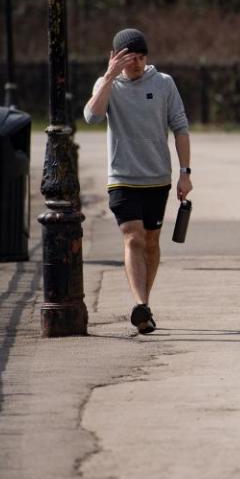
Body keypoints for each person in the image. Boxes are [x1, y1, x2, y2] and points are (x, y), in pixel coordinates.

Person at [84, 28, 192, 334]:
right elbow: (92, 117)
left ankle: (144, 304)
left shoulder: (164, 83)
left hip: (157, 178)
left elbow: (180, 128)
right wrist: (107, 77)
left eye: (141, 57)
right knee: (133, 236)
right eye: (130, 58)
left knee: (152, 242)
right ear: (115, 56)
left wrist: (186, 172)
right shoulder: (107, 85)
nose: (136, 64)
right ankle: (140, 304)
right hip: (122, 178)